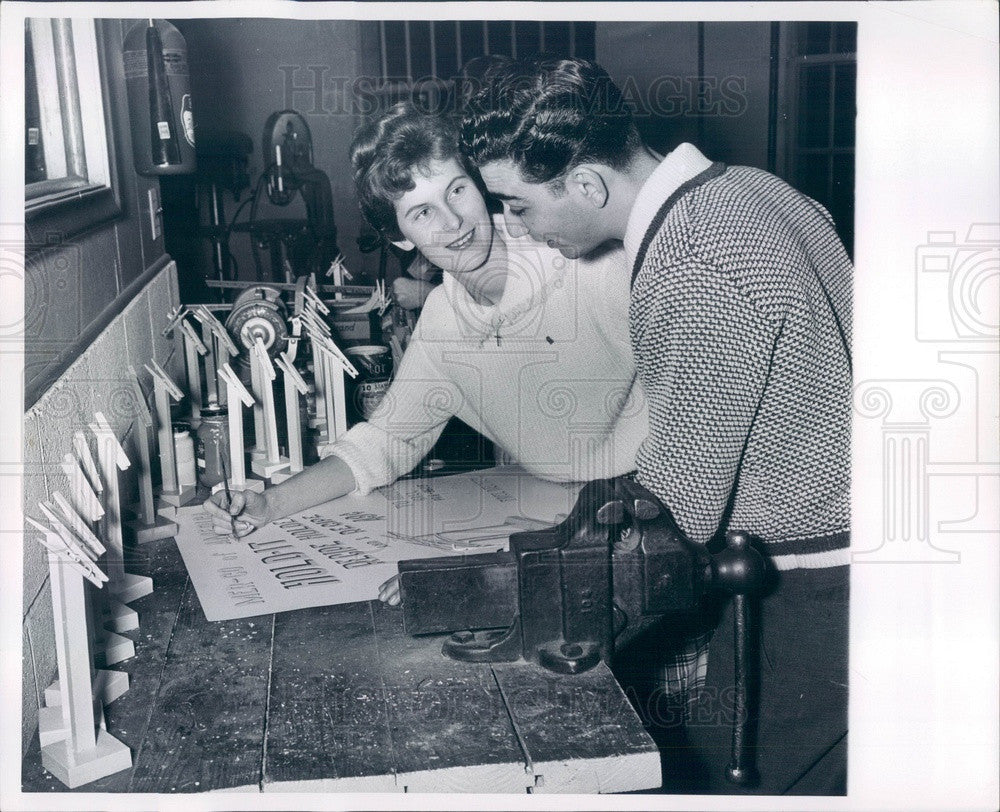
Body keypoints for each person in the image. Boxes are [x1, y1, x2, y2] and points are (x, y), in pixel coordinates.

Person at [459, 56, 851, 795]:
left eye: (518, 205)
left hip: (820, 592)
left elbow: (680, 512)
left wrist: (525, 595)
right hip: (844, 567)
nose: (520, 229)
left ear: (587, 185)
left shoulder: (691, 258)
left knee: (712, 785)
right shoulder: (754, 189)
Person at [203, 102, 648, 605]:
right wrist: (268, 504)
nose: (454, 221)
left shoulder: (584, 259)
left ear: (480, 186)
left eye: (457, 190)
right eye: (422, 212)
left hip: (656, 512)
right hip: (562, 513)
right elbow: (385, 444)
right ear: (399, 235)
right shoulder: (443, 322)